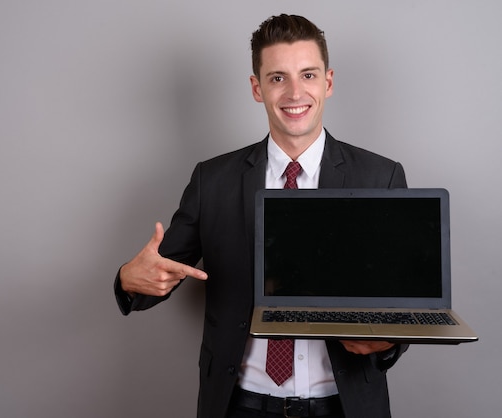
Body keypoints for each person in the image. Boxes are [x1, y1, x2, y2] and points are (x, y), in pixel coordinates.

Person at [114, 14, 409, 418]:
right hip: (240, 406)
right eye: (277, 78)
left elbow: (406, 298)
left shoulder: (380, 177)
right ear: (257, 88)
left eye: (308, 75)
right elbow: (159, 273)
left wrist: (389, 341)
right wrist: (128, 280)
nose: (294, 92)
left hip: (345, 404)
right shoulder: (212, 180)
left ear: (328, 82)